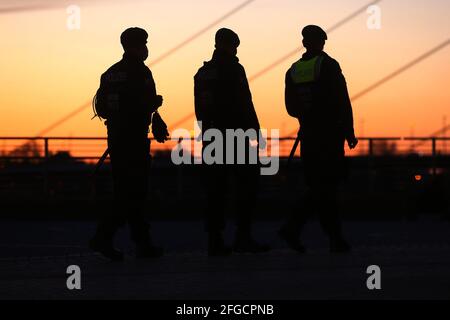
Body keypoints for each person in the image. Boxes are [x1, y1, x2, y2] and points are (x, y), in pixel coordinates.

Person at [90, 27, 169, 261]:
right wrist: (153, 103)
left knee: (127, 192)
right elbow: (140, 105)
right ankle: (105, 237)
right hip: (134, 140)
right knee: (133, 193)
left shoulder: (109, 73)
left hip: (116, 139)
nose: (146, 48)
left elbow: (101, 108)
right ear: (136, 45)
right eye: (144, 43)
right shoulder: (141, 72)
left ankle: (141, 244)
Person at [279, 25, 358, 253]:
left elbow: (291, 107)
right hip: (329, 135)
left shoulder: (293, 70)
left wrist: (307, 116)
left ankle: (332, 238)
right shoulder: (329, 65)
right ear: (322, 42)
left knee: (318, 186)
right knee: (327, 187)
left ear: (304, 43)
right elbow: (342, 100)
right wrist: (348, 131)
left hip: (308, 136)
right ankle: (298, 230)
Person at [194, 28, 270, 256]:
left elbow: (199, 110)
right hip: (236, 136)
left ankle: (215, 241)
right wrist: (254, 131)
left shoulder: (202, 72)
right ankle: (242, 238)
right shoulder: (234, 69)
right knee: (247, 187)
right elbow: (244, 102)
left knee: (215, 190)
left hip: (211, 136)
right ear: (230, 45)